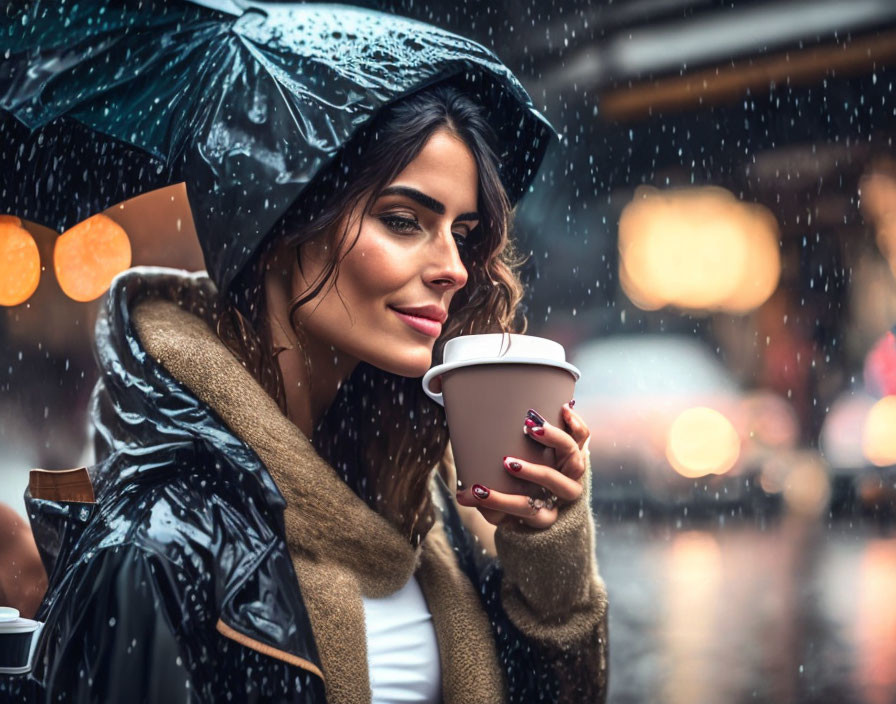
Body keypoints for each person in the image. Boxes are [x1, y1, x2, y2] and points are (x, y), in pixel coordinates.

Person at [11, 17, 608, 704]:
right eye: (404, 220)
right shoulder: (155, 548)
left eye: (464, 233)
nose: (454, 269)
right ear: (285, 226)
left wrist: (550, 563)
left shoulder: (423, 503)